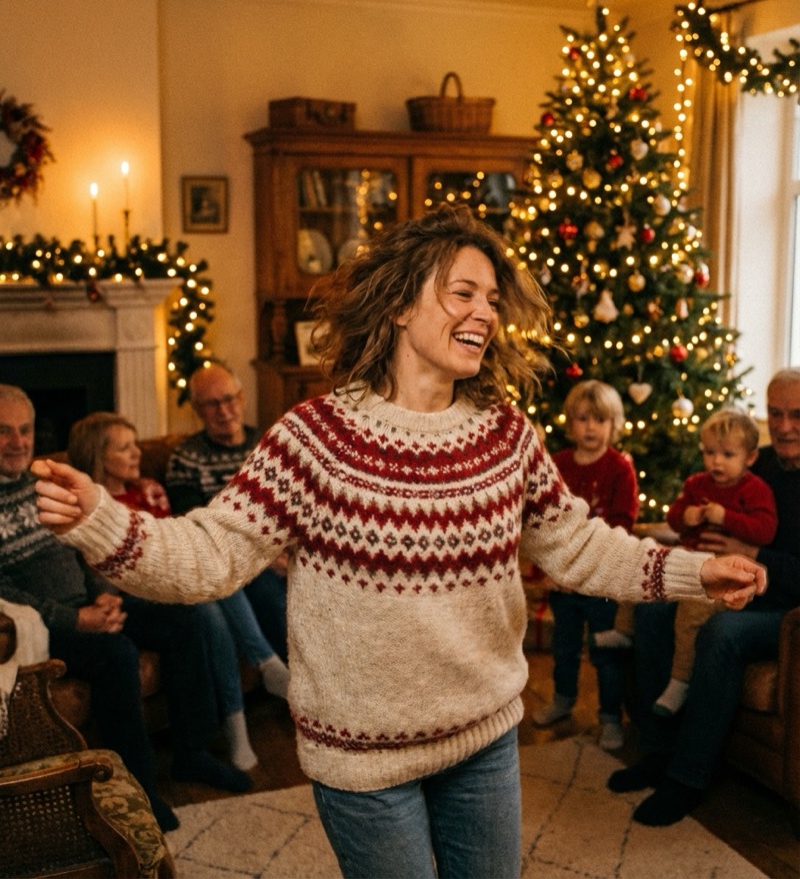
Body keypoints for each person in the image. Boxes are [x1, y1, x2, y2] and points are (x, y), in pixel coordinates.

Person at [31, 206, 765, 879]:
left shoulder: (506, 434)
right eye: (463, 293)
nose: (486, 312)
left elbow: (577, 545)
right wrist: (100, 516)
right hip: (362, 758)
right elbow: (209, 555)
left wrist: (697, 572)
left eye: (492, 298)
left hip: (483, 738)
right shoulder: (317, 437)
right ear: (402, 301)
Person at [0, 386, 251, 836]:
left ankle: (193, 752)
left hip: (89, 603)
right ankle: (140, 789)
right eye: (3, 431)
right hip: (42, 625)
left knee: (185, 616)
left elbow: (82, 545)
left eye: (24, 430)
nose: (18, 442)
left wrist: (104, 594)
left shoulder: (47, 482)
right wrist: (76, 619)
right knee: (116, 654)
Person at [607, 367, 800, 827]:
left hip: (787, 609)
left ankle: (687, 778)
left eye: (797, 415)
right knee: (657, 611)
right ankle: (659, 749)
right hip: (734, 586)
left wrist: (755, 554)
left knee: (721, 633)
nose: (785, 425)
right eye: (776, 413)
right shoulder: (758, 463)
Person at [67, 411, 269, 770]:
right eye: (125, 448)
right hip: (128, 594)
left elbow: (174, 545)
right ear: (100, 458)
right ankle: (250, 694)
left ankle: (244, 702)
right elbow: (96, 570)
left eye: (135, 445)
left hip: (168, 578)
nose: (137, 454)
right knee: (203, 604)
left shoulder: (149, 490)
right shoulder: (88, 507)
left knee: (217, 582)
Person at [533, 380, 637, 751]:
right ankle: (563, 699)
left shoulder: (619, 468)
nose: (591, 427)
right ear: (570, 423)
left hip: (602, 580)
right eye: (582, 419)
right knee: (564, 647)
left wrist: (592, 563)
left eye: (600, 420)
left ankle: (610, 716)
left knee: (605, 652)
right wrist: (557, 567)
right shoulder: (556, 464)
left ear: (614, 424)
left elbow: (623, 522)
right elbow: (544, 522)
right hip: (564, 581)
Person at [652, 407, 777, 717]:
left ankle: (680, 681)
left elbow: (766, 530)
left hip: (727, 574)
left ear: (749, 458)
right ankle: (621, 630)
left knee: (691, 611)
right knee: (649, 577)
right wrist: (686, 516)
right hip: (690, 562)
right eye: (710, 452)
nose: (716, 461)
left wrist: (728, 518)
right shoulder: (697, 485)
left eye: (727, 454)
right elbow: (674, 517)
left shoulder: (754, 489)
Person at [165, 362, 290, 673]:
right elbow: (198, 526)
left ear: (242, 398)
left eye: (229, 399)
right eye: (212, 404)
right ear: (197, 409)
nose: (224, 410)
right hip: (236, 563)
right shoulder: (186, 458)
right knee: (272, 598)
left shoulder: (267, 446)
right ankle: (300, 694)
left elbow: (289, 507)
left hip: (282, 552)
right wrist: (265, 553)